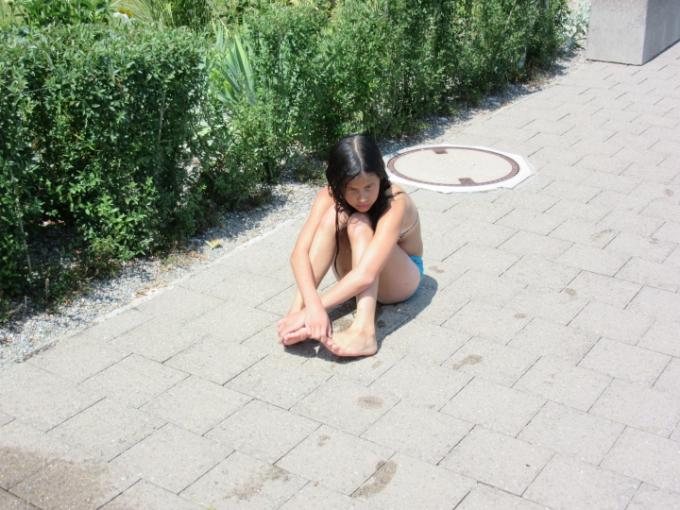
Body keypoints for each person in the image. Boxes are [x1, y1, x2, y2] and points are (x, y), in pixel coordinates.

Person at [276, 134, 424, 357]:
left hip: (400, 279)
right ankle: (296, 312)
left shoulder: (396, 202)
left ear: (380, 177)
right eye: (352, 189)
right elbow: (299, 254)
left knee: (359, 223)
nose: (362, 197)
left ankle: (364, 332)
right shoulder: (329, 195)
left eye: (369, 187)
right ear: (339, 183)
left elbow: (366, 274)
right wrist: (310, 306)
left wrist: (317, 308)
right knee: (333, 215)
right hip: (355, 271)